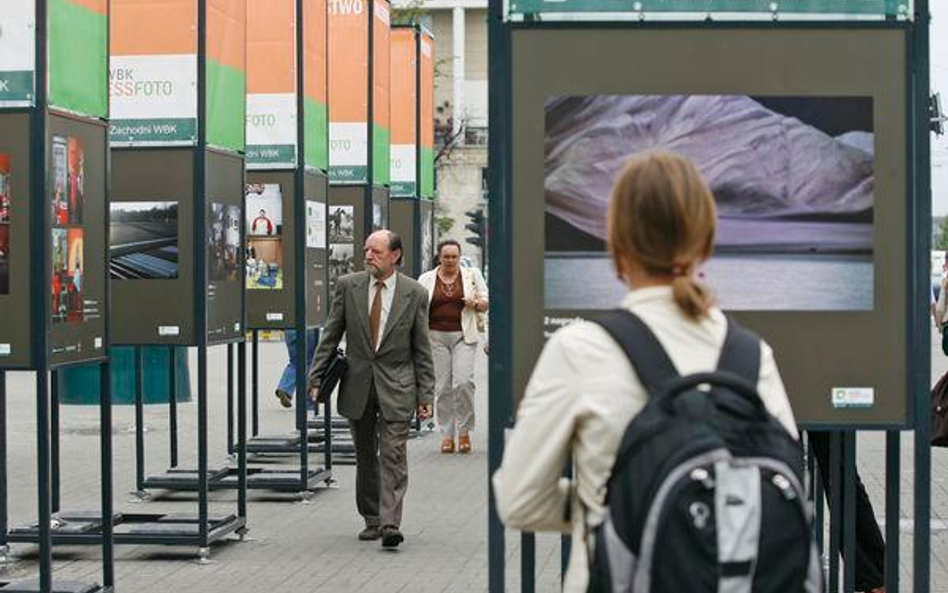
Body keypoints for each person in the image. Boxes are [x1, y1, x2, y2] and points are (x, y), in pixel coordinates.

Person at [492, 151, 799, 592]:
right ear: (706, 240)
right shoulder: (753, 356)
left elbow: (520, 500)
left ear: (616, 243)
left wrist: (608, 505)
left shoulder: (579, 350)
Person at [308, 230, 435, 549]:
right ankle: (372, 518)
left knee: (393, 454)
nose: (368, 256)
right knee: (366, 455)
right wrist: (315, 377)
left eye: (375, 251)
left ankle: (391, 522)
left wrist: (426, 395)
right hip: (358, 383)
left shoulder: (415, 293)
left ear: (395, 255)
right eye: (366, 250)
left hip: (398, 385)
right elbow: (331, 333)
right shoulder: (348, 286)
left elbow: (422, 348)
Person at [418, 240, 488, 454]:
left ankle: (464, 430)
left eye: (454, 257)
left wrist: (474, 304)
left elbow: (486, 302)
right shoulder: (426, 279)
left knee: (463, 383)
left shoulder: (472, 274)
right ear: (439, 257)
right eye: (446, 256)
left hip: (463, 336)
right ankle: (447, 434)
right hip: (435, 337)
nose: (450, 260)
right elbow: (417, 308)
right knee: (442, 388)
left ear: (459, 257)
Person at [275, 329, 318, 409]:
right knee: (309, 362)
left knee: (295, 361)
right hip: (308, 327)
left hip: (289, 330)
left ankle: (284, 388)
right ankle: (309, 401)